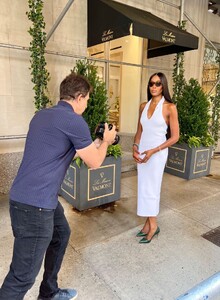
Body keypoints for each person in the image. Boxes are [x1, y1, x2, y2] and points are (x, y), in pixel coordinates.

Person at [0, 73, 117, 300]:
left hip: (34, 199)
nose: (87, 104)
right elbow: (94, 163)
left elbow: (65, 154)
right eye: (87, 99)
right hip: (35, 207)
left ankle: (49, 293)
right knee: (21, 277)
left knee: (61, 234)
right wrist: (108, 141)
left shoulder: (41, 116)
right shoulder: (74, 121)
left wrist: (97, 142)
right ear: (80, 97)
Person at [133, 72, 179, 244]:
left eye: (158, 84)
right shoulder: (143, 106)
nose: (154, 86)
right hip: (143, 152)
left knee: (152, 189)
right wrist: (135, 148)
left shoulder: (170, 107)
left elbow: (175, 137)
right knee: (144, 188)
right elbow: (139, 131)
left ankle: (153, 226)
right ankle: (147, 224)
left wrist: (154, 150)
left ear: (163, 86)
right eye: (151, 83)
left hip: (157, 153)